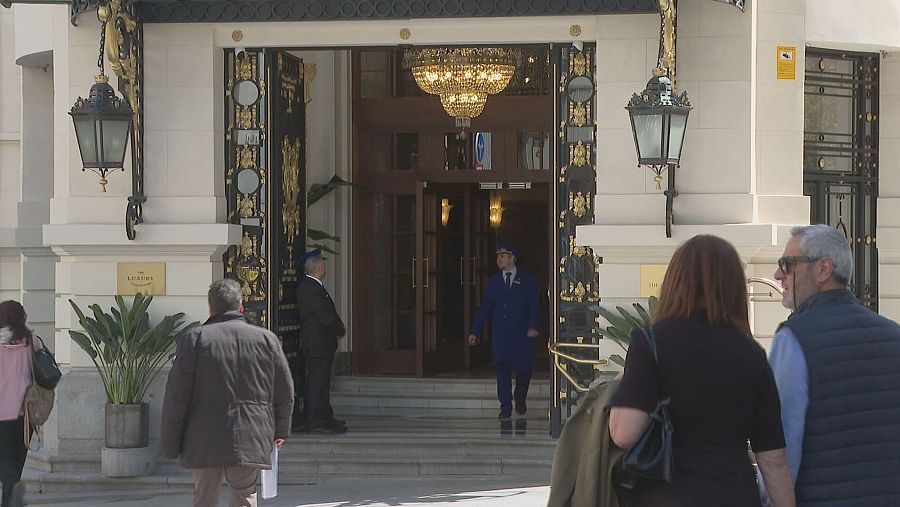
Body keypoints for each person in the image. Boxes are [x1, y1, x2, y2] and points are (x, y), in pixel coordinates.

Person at [609, 235, 795, 507]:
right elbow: (773, 460)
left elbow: (624, 433)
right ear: (733, 287)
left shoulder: (651, 343)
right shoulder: (751, 353)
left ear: (675, 281)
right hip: (734, 494)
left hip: (665, 495)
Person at [770, 224, 900, 506]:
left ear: (823, 269)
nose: (778, 275)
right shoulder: (894, 336)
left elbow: (781, 450)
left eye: (787, 264)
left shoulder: (794, 338)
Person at [160, 279, 294, 507]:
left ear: (210, 308)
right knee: (244, 497)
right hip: (250, 433)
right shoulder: (266, 339)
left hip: (203, 436)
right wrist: (280, 430)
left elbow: (176, 396)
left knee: (205, 497)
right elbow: (284, 390)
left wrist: (170, 442)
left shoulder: (195, 339)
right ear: (240, 307)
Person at [468, 243, 540, 419]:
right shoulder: (493, 282)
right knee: (502, 370)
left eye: (503, 256)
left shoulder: (528, 280)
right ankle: (505, 406)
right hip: (501, 335)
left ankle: (520, 397)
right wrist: (475, 331)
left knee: (524, 369)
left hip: (522, 334)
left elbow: (534, 306)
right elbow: (485, 308)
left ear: (512, 258)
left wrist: (534, 326)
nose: (499, 259)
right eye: (498, 256)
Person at [295, 249, 347, 434]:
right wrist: (339, 330)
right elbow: (326, 317)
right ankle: (317, 419)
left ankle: (325, 415)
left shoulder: (313, 286)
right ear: (319, 267)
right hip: (318, 343)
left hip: (321, 343)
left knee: (322, 381)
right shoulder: (311, 288)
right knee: (318, 382)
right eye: (323, 265)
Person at [0, 301, 33, 507]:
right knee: (17, 456)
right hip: (24, 410)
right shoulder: (31, 340)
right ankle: (11, 496)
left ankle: (11, 489)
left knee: (4, 457)